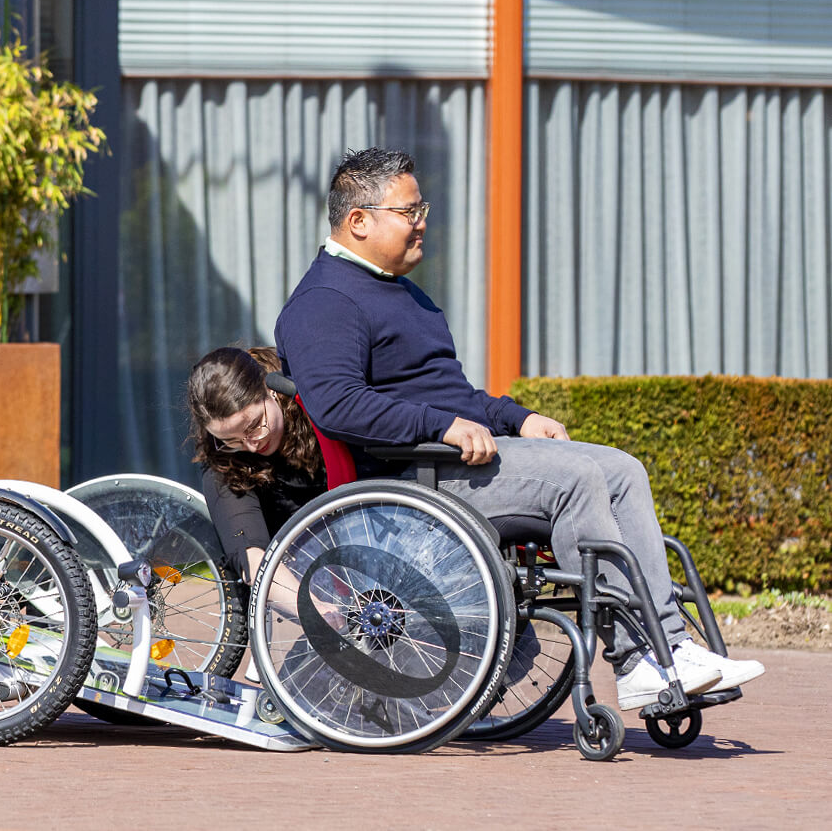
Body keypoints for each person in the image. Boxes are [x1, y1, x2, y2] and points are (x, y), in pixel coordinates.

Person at [273, 146, 764, 710]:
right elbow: (338, 404)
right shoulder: (325, 302)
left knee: (621, 469)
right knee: (575, 478)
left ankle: (670, 649)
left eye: (421, 207)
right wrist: (445, 426)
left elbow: (451, 394)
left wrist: (517, 417)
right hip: (410, 482)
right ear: (359, 221)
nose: (423, 221)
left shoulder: (400, 292)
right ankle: (636, 662)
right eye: (410, 210)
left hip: (449, 461)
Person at [186, 346, 326, 586]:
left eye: (254, 425)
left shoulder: (318, 398)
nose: (250, 445)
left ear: (270, 389)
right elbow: (251, 559)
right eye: (231, 440)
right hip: (294, 587)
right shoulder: (223, 460)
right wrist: (319, 611)